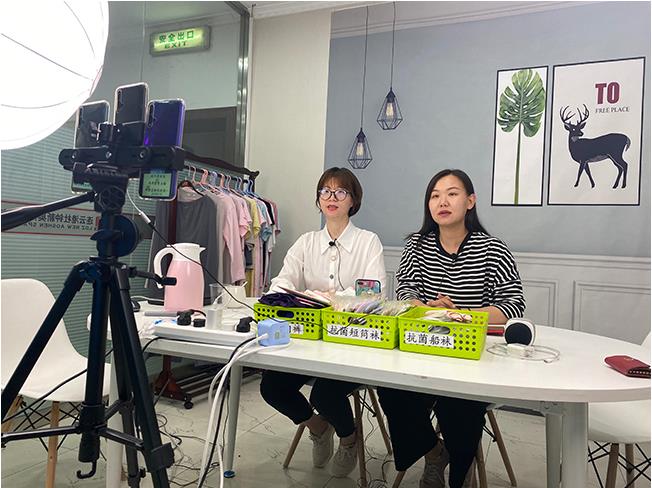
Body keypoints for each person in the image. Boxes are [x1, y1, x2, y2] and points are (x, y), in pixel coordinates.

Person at [378, 169, 525, 488]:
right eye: (435, 195)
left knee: (457, 404)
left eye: (452, 193)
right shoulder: (416, 246)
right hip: (422, 349)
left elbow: (513, 305)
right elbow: (405, 292)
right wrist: (428, 309)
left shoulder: (492, 249)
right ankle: (434, 453)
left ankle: (460, 470)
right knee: (390, 390)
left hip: (472, 357)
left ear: (470, 201)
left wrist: (462, 315)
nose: (442, 201)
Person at [260, 167, 386, 477]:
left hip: (352, 343)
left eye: (340, 191)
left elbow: (373, 293)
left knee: (324, 394)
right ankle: (318, 427)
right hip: (309, 342)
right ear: (319, 199)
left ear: (353, 200)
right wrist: (305, 296)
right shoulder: (306, 242)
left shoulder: (368, 242)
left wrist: (330, 298)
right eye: (325, 191)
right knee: (272, 387)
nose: (332, 197)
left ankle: (348, 437)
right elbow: (281, 284)